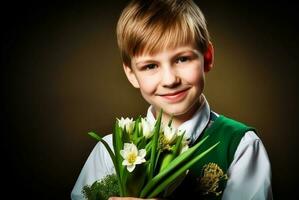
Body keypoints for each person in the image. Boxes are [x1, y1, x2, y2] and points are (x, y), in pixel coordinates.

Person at [71, 0, 272, 199]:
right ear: (131, 74)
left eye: (182, 59)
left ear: (207, 58)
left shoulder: (241, 146)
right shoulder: (112, 150)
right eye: (150, 66)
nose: (169, 80)